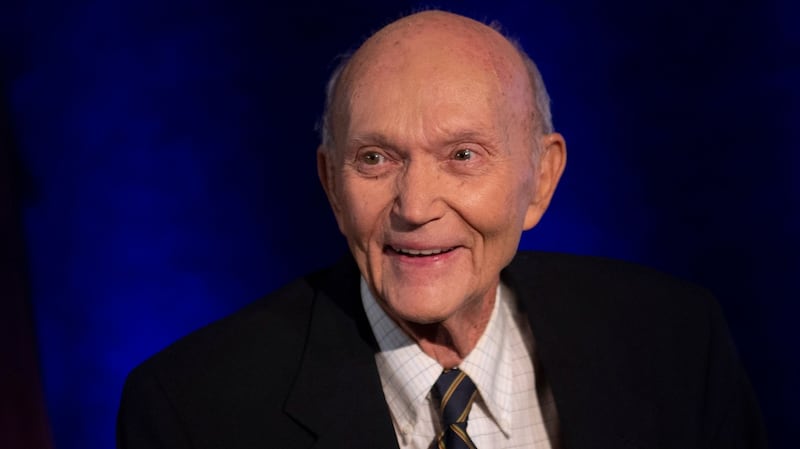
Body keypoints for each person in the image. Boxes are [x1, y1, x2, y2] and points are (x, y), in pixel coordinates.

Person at [117, 10, 766, 449]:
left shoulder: (676, 340)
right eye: (376, 158)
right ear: (330, 184)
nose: (416, 204)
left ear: (539, 179)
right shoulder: (195, 411)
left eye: (462, 155)